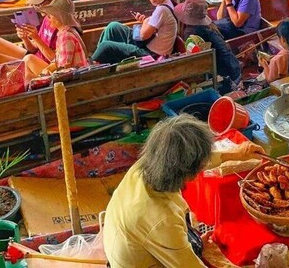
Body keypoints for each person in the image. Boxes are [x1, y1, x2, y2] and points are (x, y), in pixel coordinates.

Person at [103, 114, 263, 268]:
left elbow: (191, 159)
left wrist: (237, 153)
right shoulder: (162, 217)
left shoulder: (152, 162)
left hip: (131, 242)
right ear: (186, 171)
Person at [92, 0, 177, 63]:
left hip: (151, 55)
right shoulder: (166, 3)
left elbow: (144, 35)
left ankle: (94, 63)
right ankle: (100, 61)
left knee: (105, 46)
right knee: (113, 27)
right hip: (147, 44)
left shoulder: (162, 10)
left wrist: (145, 21)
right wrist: (146, 21)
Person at [0, 0, 60, 69]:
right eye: (36, 5)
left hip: (38, 64)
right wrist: (25, 38)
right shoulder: (47, 18)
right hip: (34, 56)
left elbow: (55, 60)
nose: (37, 8)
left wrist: (36, 38)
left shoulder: (60, 24)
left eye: (39, 4)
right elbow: (33, 49)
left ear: (52, 0)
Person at [174, 0, 241, 88]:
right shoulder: (210, 27)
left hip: (225, 76)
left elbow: (195, 59)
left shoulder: (191, 32)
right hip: (233, 69)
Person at [22, 0, 88, 81]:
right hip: (68, 75)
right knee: (27, 72)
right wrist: (47, 70)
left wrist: (42, 76)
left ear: (59, 17)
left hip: (72, 80)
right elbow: (58, 61)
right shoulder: (62, 33)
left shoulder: (66, 36)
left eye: (49, 16)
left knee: (28, 77)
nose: (48, 19)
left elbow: (64, 68)